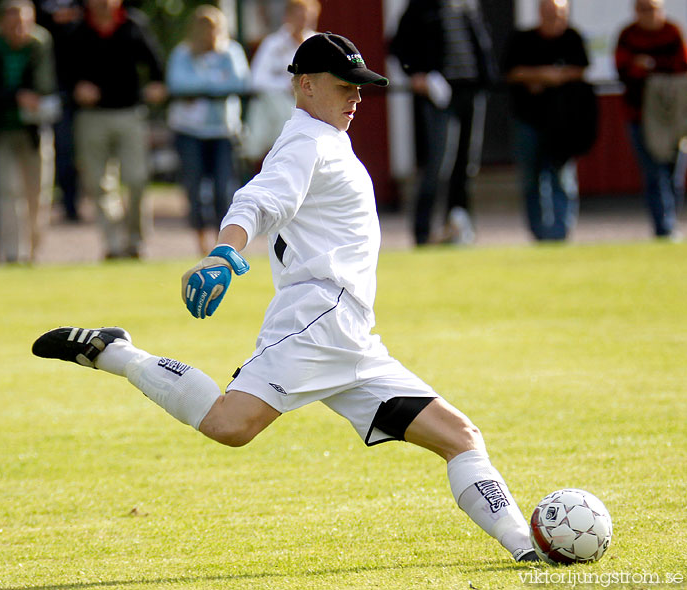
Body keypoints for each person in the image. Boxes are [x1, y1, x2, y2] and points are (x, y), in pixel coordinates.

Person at [32, 33, 539, 563]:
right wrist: (223, 254)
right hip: (318, 318)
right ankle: (116, 351)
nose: (356, 97)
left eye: (360, 87)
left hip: (355, 338)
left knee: (460, 436)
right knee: (230, 426)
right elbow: (258, 200)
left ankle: (528, 550)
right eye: (345, 86)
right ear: (305, 85)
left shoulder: (326, 137)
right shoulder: (307, 142)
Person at [390, 0, 497, 246]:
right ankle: (422, 231)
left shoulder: (467, 7)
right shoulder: (419, 8)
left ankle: (459, 228)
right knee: (439, 164)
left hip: (471, 92)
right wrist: (416, 75)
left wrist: (487, 79)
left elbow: (481, 47)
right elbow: (398, 47)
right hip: (440, 95)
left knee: (467, 164)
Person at [65, 0, 166, 259]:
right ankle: (112, 244)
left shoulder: (134, 25)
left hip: (129, 113)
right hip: (91, 117)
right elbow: (62, 73)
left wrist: (157, 85)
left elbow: (156, 64)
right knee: (99, 185)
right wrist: (76, 88)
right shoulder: (77, 30)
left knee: (136, 178)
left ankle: (136, 241)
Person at [502, 0, 592, 242]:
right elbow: (511, 71)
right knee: (531, 178)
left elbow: (580, 69)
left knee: (562, 177)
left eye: (559, 14)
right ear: (540, 13)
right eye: (549, 13)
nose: (554, 18)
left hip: (563, 122)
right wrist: (542, 75)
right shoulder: (522, 39)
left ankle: (561, 232)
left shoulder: (572, 39)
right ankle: (539, 233)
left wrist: (552, 78)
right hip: (527, 119)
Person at [166, 5, 250, 255]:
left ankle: (221, 243)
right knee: (194, 188)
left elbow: (241, 82)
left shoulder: (231, 52)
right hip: (189, 132)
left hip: (223, 131)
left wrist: (199, 89)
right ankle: (200, 243)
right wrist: (215, 84)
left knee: (224, 189)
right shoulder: (182, 54)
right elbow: (177, 84)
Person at [0, 0, 57, 264]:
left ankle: (33, 252)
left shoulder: (40, 43)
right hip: (1, 130)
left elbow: (46, 85)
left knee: (37, 194)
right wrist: (15, 97)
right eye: (14, 22)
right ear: (3, 21)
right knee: (6, 192)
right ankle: (10, 254)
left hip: (34, 131)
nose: (20, 28)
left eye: (25, 23)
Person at [615, 0, 687, 239]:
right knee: (654, 173)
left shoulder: (672, 32)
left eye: (654, 9)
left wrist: (652, 66)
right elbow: (622, 71)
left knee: (673, 172)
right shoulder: (628, 35)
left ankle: (671, 221)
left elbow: (681, 67)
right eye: (644, 9)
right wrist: (639, 68)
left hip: (672, 117)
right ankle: (663, 227)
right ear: (636, 11)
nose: (649, 14)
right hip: (640, 116)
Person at [242, 0, 320, 163]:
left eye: (307, 16)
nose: (303, 20)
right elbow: (256, 79)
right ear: (287, 16)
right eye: (298, 15)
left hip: (314, 114)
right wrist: (288, 86)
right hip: (279, 115)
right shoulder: (272, 44)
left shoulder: (318, 43)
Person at [34, 0, 83, 222]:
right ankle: (54, 207)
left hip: (78, 91)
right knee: (52, 151)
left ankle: (72, 203)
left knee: (72, 152)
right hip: (43, 90)